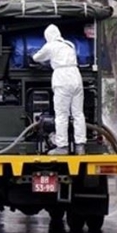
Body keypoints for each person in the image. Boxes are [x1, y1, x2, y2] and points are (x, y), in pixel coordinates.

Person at [32, 24, 86, 155]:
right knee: (78, 114)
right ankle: (80, 146)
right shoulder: (69, 45)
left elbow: (37, 58)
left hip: (62, 78)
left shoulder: (50, 46)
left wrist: (34, 56)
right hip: (76, 76)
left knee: (62, 115)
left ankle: (62, 147)